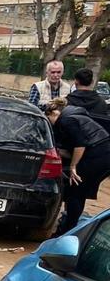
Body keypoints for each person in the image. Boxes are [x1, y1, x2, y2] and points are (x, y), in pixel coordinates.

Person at [44, 97, 110, 235]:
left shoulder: (66, 120)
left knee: (76, 192)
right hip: (102, 153)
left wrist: (73, 167)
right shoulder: (74, 115)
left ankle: (67, 230)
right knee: (78, 191)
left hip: (97, 155)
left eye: (48, 119)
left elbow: (80, 145)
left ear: (52, 113)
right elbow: (73, 149)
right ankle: (69, 226)